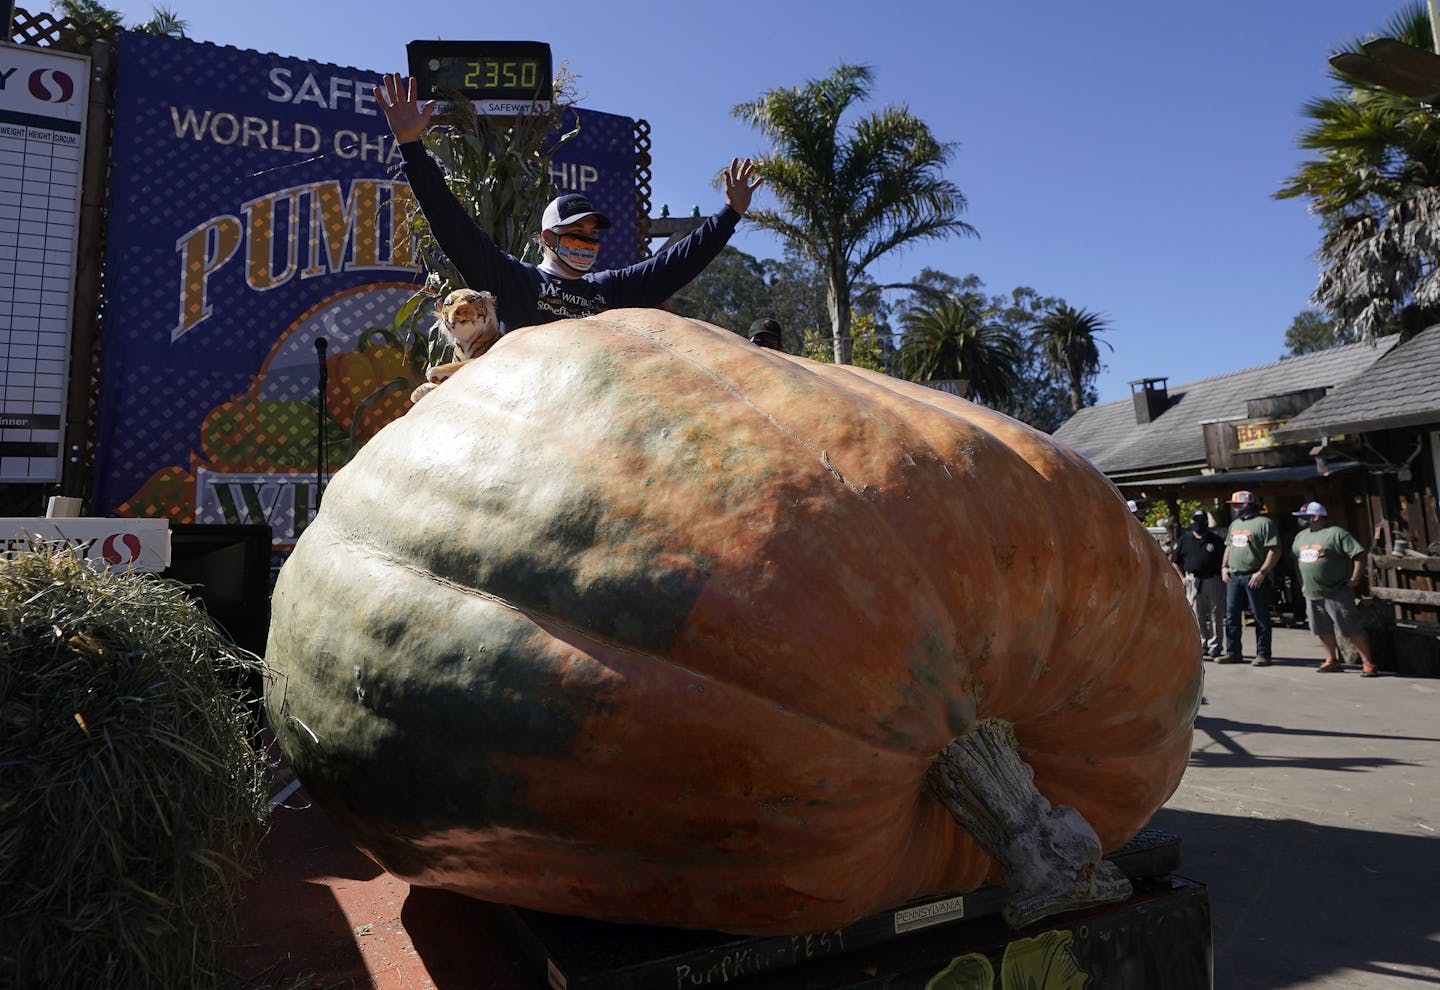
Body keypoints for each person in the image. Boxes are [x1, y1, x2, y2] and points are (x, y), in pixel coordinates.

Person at [374, 73, 763, 333]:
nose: (587, 242)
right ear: (548, 237)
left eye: (593, 235)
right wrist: (411, 146)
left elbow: (673, 265)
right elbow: (453, 226)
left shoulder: (608, 290)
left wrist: (730, 215)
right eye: (576, 232)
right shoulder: (515, 281)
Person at [1291, 501, 1379, 676]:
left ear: (1315, 517)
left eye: (1304, 517)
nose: (1301, 520)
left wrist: (1355, 578)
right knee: (1321, 628)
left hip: (1336, 590)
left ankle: (1368, 663)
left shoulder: (1336, 533)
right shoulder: (1300, 536)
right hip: (1312, 592)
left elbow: (1358, 554)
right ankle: (1332, 659)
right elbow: (1298, 560)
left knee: (1350, 627)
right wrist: (1303, 583)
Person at [1219, 490, 1280, 666]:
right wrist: (1224, 567)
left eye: (1236, 505)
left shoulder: (1264, 523)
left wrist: (1263, 571)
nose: (1235, 508)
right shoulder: (1235, 524)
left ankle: (1263, 654)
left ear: (1245, 504)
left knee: (1260, 615)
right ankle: (1233, 652)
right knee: (1231, 616)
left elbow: (1275, 549)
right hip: (1234, 576)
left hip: (1253, 575)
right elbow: (1228, 547)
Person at [1171, 510, 1225, 659]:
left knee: (1216, 614)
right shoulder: (1184, 540)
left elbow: (1225, 559)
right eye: (1196, 520)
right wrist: (1182, 578)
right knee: (1195, 615)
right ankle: (1201, 644)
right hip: (1193, 581)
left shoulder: (1215, 540)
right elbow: (1175, 560)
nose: (1198, 523)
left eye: (1201, 520)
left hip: (1213, 580)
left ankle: (1215, 646)